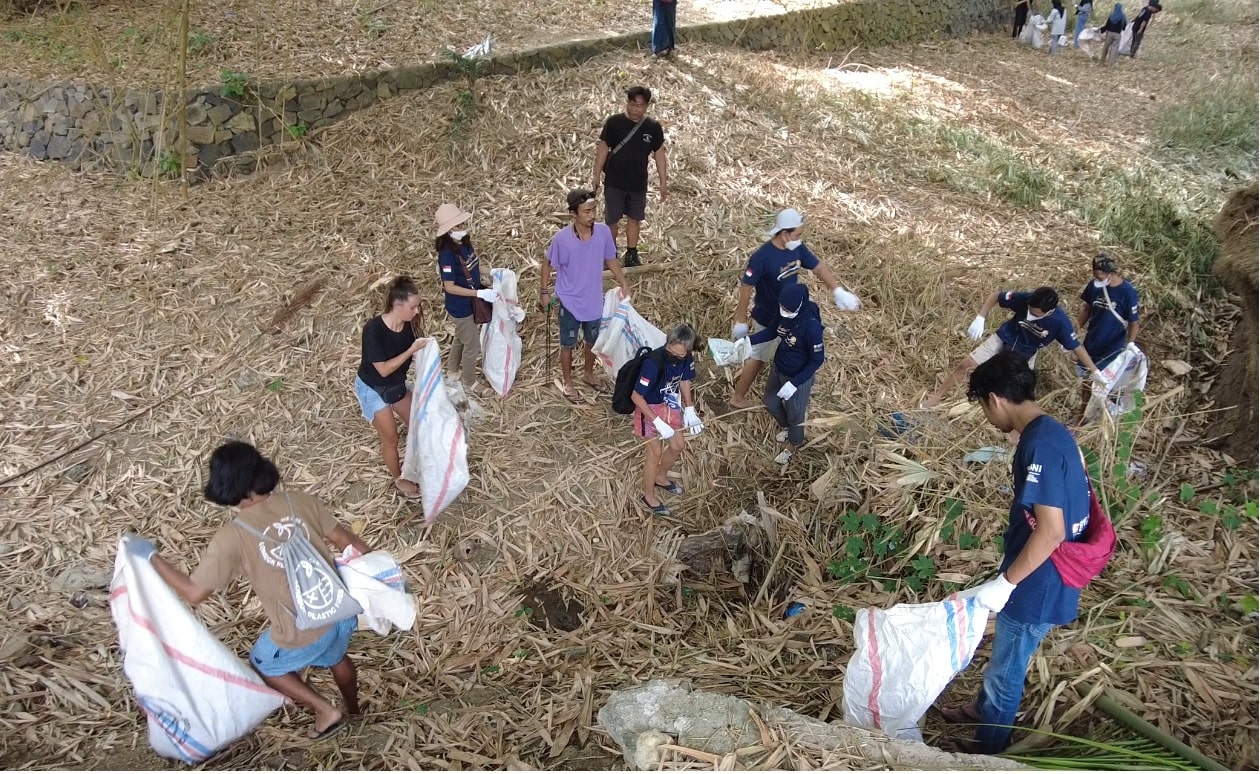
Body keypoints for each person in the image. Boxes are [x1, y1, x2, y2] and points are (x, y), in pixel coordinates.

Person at [127, 442, 373, 741]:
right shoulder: (301, 501)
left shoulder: (233, 536)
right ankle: (355, 711)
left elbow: (194, 593)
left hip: (300, 629)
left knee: (263, 661)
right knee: (337, 655)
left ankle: (325, 711)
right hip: (339, 610)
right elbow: (352, 545)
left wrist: (151, 556)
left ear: (224, 485)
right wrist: (379, 580)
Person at [936, 351, 1091, 754]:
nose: (989, 419)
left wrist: (1007, 582)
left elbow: (1052, 530)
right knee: (1006, 655)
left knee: (1008, 668)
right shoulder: (1052, 431)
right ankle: (984, 710)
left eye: (984, 407)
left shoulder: (1038, 445)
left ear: (995, 399)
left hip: (1039, 579)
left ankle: (989, 750)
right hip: (1045, 572)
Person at [729, 208, 859, 409]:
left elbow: (818, 266)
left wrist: (837, 290)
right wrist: (740, 320)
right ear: (784, 233)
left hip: (793, 314)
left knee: (794, 349)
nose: (800, 238)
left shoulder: (796, 248)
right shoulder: (762, 257)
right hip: (768, 315)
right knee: (758, 357)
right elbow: (746, 288)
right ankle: (738, 397)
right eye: (797, 234)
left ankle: (793, 383)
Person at [921, 286, 1104, 408]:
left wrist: (1095, 371)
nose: (1030, 315)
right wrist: (981, 317)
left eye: (1035, 314)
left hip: (1026, 353)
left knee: (1022, 395)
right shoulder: (1024, 299)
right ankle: (937, 397)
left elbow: (1077, 347)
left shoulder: (1060, 323)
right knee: (965, 365)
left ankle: (1016, 431)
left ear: (1049, 311)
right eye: (1029, 311)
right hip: (1005, 337)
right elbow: (996, 296)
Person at [540, 188, 631, 402]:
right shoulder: (561, 240)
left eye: (594, 210)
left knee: (592, 340)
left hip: (593, 300)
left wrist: (623, 283)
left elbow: (611, 259)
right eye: (586, 211)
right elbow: (547, 265)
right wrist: (544, 291)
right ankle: (568, 383)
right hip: (569, 301)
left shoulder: (603, 232)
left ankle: (589, 374)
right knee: (567, 343)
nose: (592, 215)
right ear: (574, 214)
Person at [355, 276, 429, 499]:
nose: (416, 312)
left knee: (418, 424)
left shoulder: (410, 327)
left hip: (395, 386)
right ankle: (400, 478)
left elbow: (413, 358)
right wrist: (410, 351)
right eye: (413, 307)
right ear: (397, 305)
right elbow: (383, 370)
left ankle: (420, 464)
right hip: (373, 388)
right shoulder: (373, 329)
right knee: (391, 439)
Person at [590, 86, 668, 268]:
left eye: (639, 106)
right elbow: (602, 148)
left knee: (635, 218)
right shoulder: (614, 123)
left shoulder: (653, 127)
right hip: (614, 182)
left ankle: (632, 253)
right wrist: (596, 175)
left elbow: (659, 155)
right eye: (632, 104)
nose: (635, 109)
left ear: (647, 106)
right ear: (627, 103)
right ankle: (610, 254)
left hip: (638, 183)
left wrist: (663, 182)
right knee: (612, 220)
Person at [631, 323, 703, 517]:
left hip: (669, 404)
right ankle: (648, 495)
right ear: (668, 343)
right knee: (654, 452)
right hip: (649, 408)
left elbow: (684, 380)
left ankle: (661, 477)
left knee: (678, 445)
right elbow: (636, 397)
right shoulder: (653, 363)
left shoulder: (686, 358)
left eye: (680, 355)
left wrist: (689, 408)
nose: (675, 357)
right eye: (671, 352)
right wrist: (656, 421)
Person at [748, 283, 824, 465]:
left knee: (796, 413)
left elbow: (817, 360)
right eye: (782, 307)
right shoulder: (784, 312)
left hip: (797, 377)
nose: (783, 311)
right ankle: (787, 427)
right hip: (780, 367)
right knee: (770, 401)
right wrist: (747, 341)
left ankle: (794, 442)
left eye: (787, 309)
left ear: (800, 305)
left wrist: (795, 383)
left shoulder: (811, 327)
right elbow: (772, 331)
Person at [434, 203, 500, 396]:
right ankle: (469, 381)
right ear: (450, 229)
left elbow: (473, 265)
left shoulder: (464, 243)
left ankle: (453, 370)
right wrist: (478, 294)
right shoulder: (447, 255)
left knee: (462, 337)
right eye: (459, 224)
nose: (463, 226)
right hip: (461, 307)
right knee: (472, 344)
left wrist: (494, 272)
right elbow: (450, 286)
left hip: (471, 301)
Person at [1075, 254, 1140, 415]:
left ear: (1110, 273)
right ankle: (1083, 411)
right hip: (1092, 341)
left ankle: (1100, 415)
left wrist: (1130, 344)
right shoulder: (1094, 286)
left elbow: (1134, 322)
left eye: (1100, 276)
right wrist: (1075, 329)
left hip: (1112, 347)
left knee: (1102, 383)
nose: (1097, 279)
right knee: (1086, 380)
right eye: (1095, 276)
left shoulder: (1127, 293)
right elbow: (1087, 308)